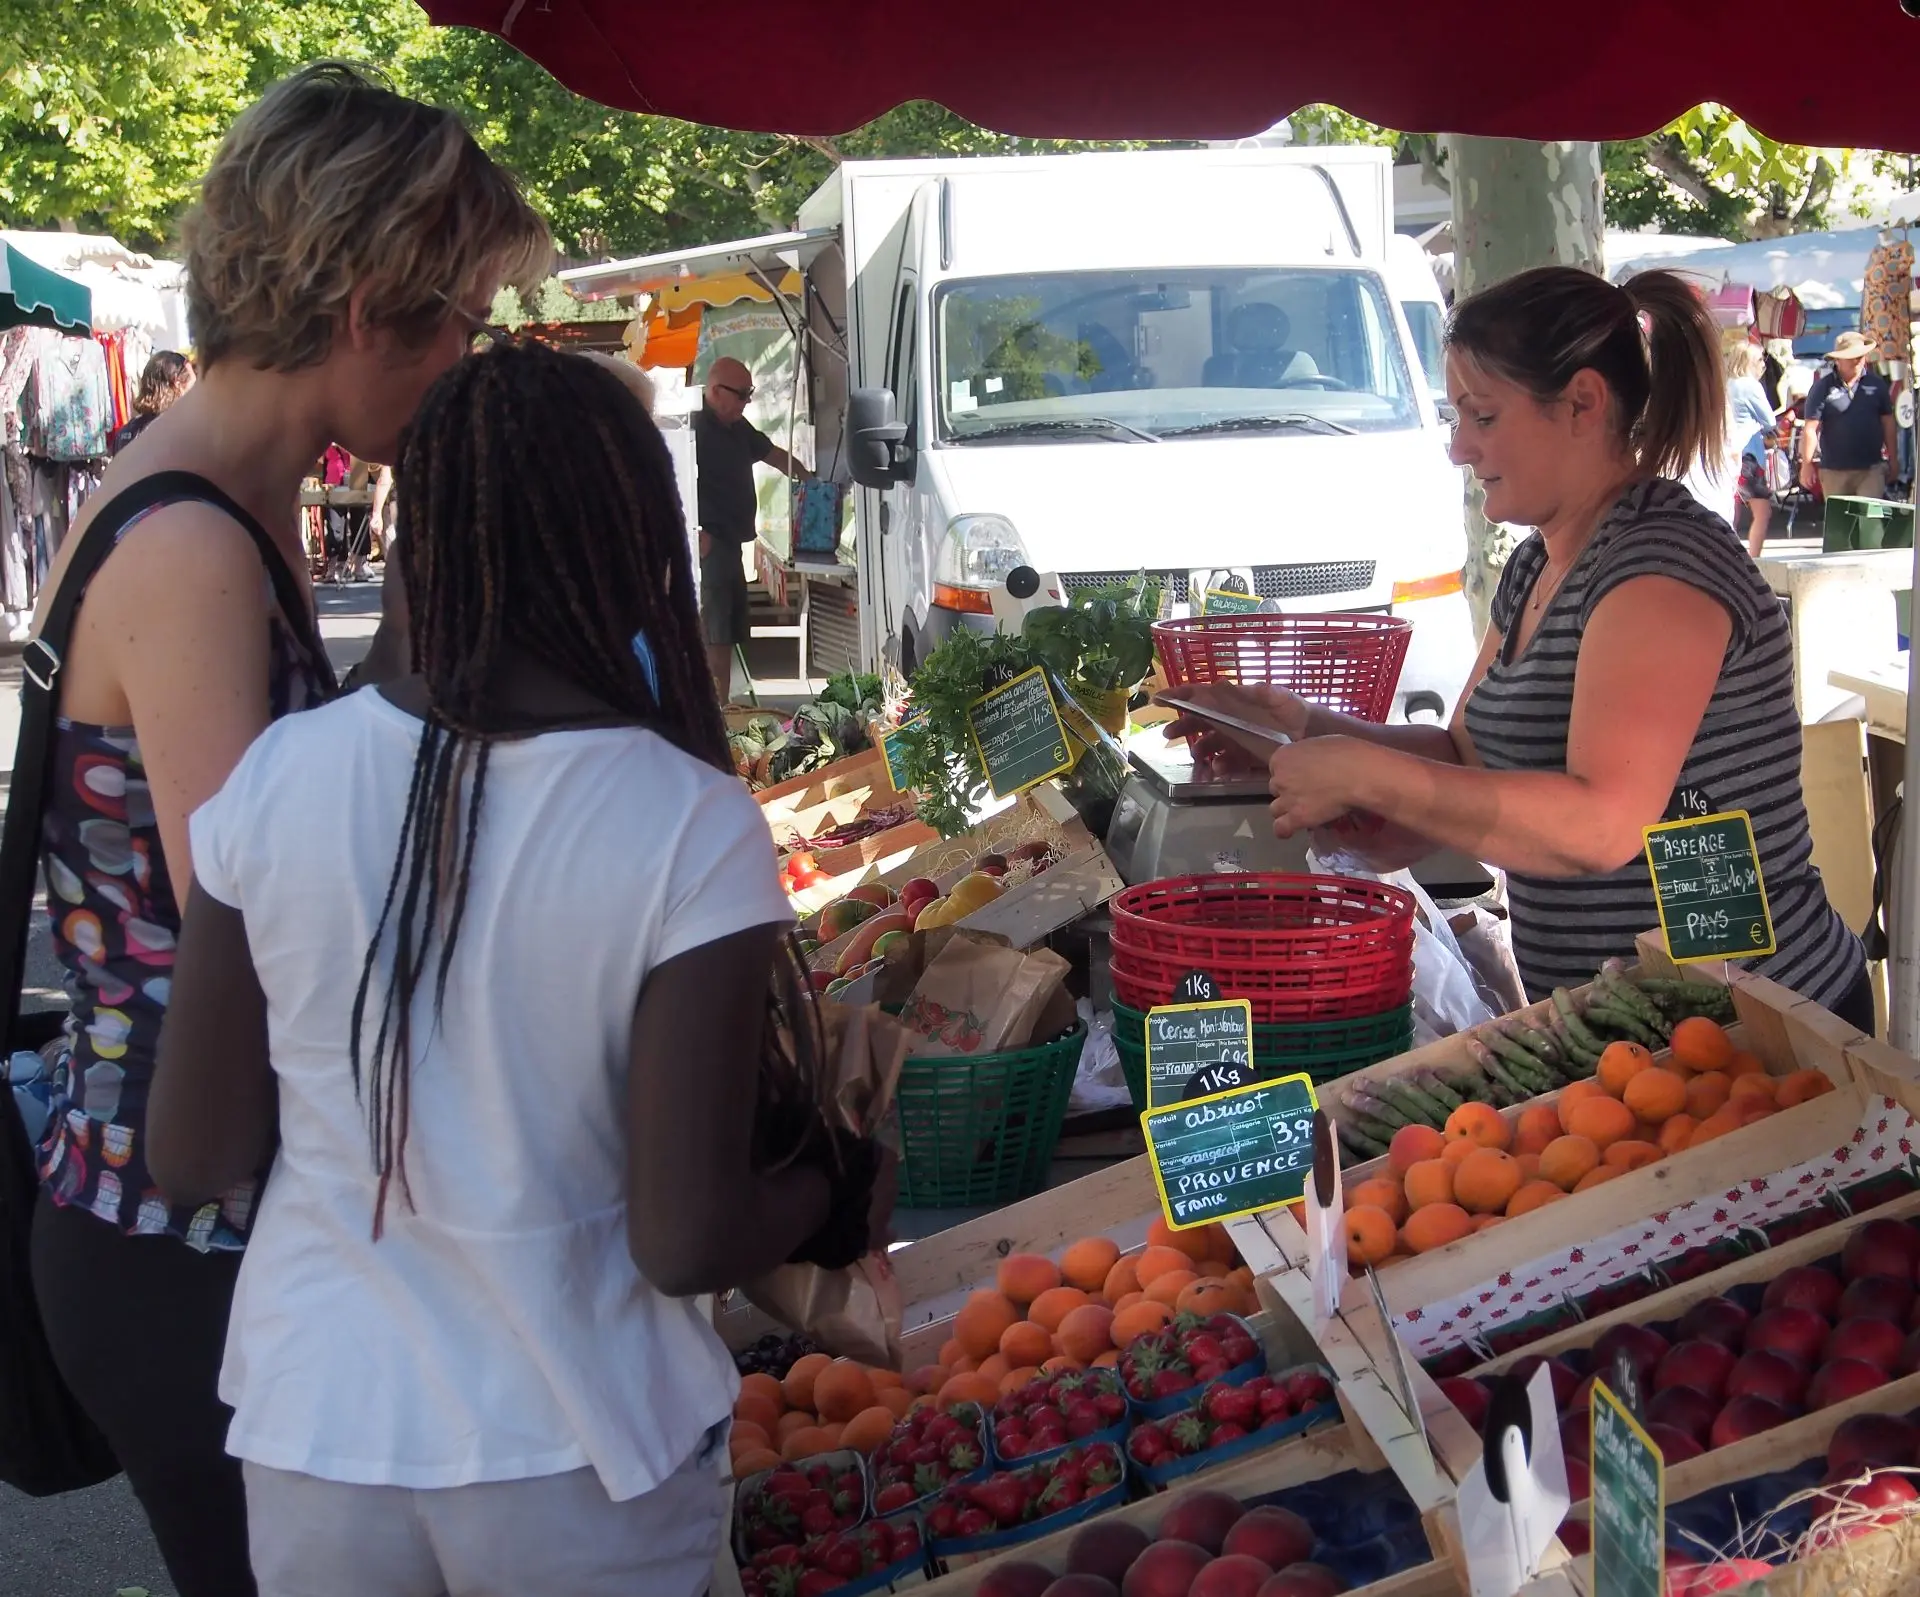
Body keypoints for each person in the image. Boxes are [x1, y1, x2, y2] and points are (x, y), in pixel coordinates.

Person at [146, 342, 891, 1597]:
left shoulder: (280, 777)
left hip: (319, 1438)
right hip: (578, 1462)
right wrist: (830, 1186)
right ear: (635, 543)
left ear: (415, 536)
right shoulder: (682, 817)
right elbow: (688, 1233)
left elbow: (191, 1152)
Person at [24, 64, 547, 1597]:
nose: (469, 358)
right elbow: (259, 921)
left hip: (200, 1206)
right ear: (369, 304)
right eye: (460, 317)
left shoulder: (225, 508)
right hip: (180, 1229)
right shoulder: (188, 544)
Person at [1165, 266, 1869, 1033]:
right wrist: (1299, 731)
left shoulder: (1659, 569)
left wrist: (1366, 771)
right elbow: (1466, 757)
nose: (1459, 448)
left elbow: (1603, 825)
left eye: (1484, 416)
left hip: (1759, 1028)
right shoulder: (1538, 562)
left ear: (1582, 403)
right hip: (1630, 1032)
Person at [696, 355, 811, 702]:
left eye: (751, 394)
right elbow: (663, 482)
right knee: (714, 631)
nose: (747, 402)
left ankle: (724, 704)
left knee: (728, 631)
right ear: (716, 391)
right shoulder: (693, 428)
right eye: (742, 394)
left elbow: (774, 455)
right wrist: (693, 529)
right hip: (708, 542)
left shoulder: (738, 427)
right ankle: (714, 710)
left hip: (732, 544)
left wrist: (812, 484)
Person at [1800, 330, 1897, 501]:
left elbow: (1888, 423)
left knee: (1870, 524)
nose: (1857, 360)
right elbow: (1810, 428)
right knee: (1840, 525)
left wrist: (1894, 459)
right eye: (1851, 356)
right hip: (1834, 472)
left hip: (1871, 469)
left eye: (1860, 355)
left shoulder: (1877, 385)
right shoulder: (1822, 388)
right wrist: (1806, 464)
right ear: (1837, 360)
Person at [1726, 339, 1781, 558]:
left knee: (1732, 513)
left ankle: (1728, 558)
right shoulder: (1750, 385)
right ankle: (1755, 561)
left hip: (1728, 454)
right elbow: (1769, 420)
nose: (1763, 364)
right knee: (1763, 512)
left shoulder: (1726, 384)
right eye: (1760, 359)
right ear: (1748, 361)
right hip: (1749, 455)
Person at [108, 350, 196, 454]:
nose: (196, 391)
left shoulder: (125, 432)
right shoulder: (183, 432)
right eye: (194, 385)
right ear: (177, 384)